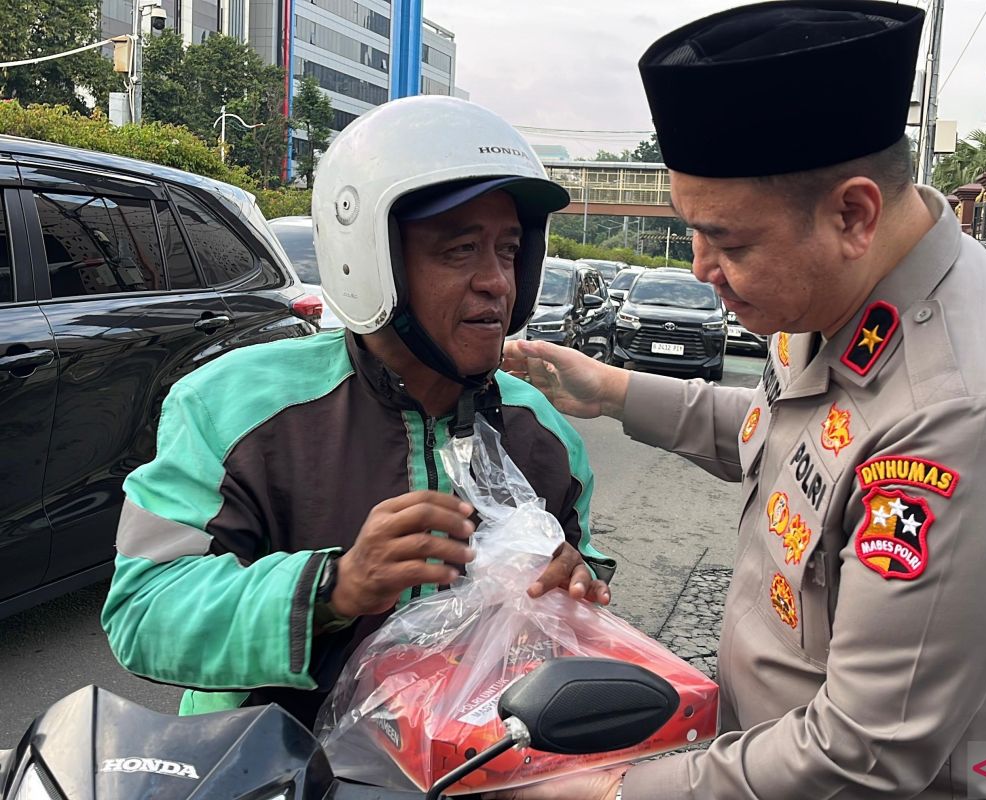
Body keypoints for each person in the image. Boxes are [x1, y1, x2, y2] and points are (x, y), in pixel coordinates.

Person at [491, 3, 986, 799]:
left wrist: (612, 794)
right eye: (693, 232)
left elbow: (863, 754)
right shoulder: (844, 298)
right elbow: (781, 432)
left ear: (853, 214)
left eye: (729, 241)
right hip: (759, 754)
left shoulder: (966, 415)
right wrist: (610, 390)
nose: (701, 268)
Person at [101, 96, 615, 728]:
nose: (497, 281)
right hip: (270, 759)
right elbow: (144, 610)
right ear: (372, 261)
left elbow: (583, 578)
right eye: (460, 250)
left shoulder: (544, 433)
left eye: (508, 251)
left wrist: (574, 584)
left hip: (475, 760)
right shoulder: (230, 407)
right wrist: (333, 588)